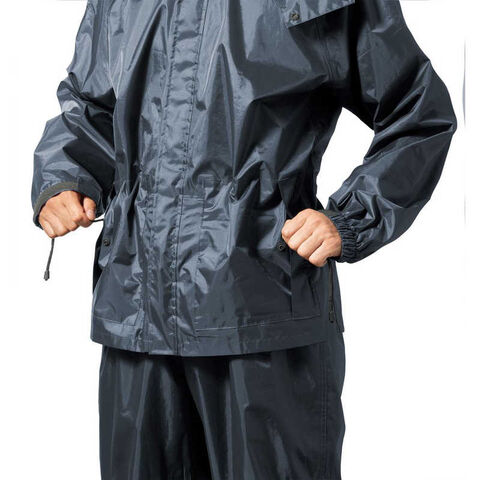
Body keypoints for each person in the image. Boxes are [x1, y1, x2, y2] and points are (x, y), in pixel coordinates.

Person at [31, 0, 456, 478]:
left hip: (262, 312)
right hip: (137, 311)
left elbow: (417, 112)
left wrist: (352, 217)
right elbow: (91, 105)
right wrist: (65, 176)